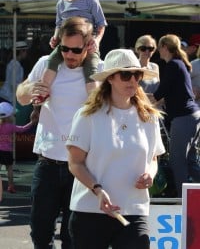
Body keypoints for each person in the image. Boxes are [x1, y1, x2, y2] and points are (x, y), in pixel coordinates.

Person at [66, 49, 165, 249]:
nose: (133, 80)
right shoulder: (88, 115)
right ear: (110, 78)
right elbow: (75, 163)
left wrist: (150, 176)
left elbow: (152, 159)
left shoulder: (148, 116)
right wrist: (98, 190)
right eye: (126, 74)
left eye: (137, 75)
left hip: (135, 209)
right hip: (90, 211)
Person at [16, 17, 98, 249]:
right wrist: (32, 88)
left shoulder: (98, 70)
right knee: (40, 232)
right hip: (48, 162)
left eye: (75, 49)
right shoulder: (46, 64)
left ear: (89, 45)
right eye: (64, 48)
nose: (69, 55)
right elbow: (21, 96)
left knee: (74, 236)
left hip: (82, 166)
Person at [32, 0, 107, 105]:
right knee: (51, 61)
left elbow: (101, 24)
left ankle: (94, 102)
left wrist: (96, 41)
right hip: (66, 45)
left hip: (86, 45)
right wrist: (55, 37)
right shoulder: (60, 3)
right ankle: (43, 92)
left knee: (91, 68)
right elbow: (59, 24)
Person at [150, 34, 200, 197]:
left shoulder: (173, 65)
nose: (158, 50)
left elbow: (158, 95)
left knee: (177, 161)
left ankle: (182, 201)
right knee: (190, 162)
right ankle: (186, 198)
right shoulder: (180, 64)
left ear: (165, 47)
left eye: (159, 47)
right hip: (192, 116)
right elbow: (167, 95)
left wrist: (135, 97)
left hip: (184, 118)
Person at [0, 101, 37, 194]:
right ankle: (11, 186)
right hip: (7, 152)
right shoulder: (10, 127)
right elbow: (22, 129)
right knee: (9, 169)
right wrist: (32, 122)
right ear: (8, 116)